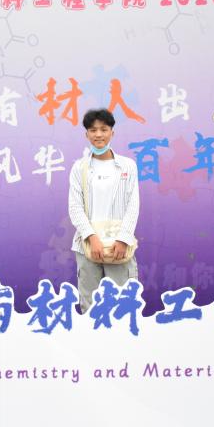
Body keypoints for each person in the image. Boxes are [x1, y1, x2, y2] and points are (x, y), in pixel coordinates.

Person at [68, 108, 140, 313]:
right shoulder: (79, 168)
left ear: (112, 133)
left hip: (119, 247)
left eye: (103, 129)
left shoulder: (127, 166)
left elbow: (133, 205)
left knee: (123, 304)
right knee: (90, 306)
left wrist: (123, 239)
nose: (98, 134)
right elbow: (75, 207)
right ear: (86, 135)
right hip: (87, 246)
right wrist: (92, 238)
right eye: (93, 130)